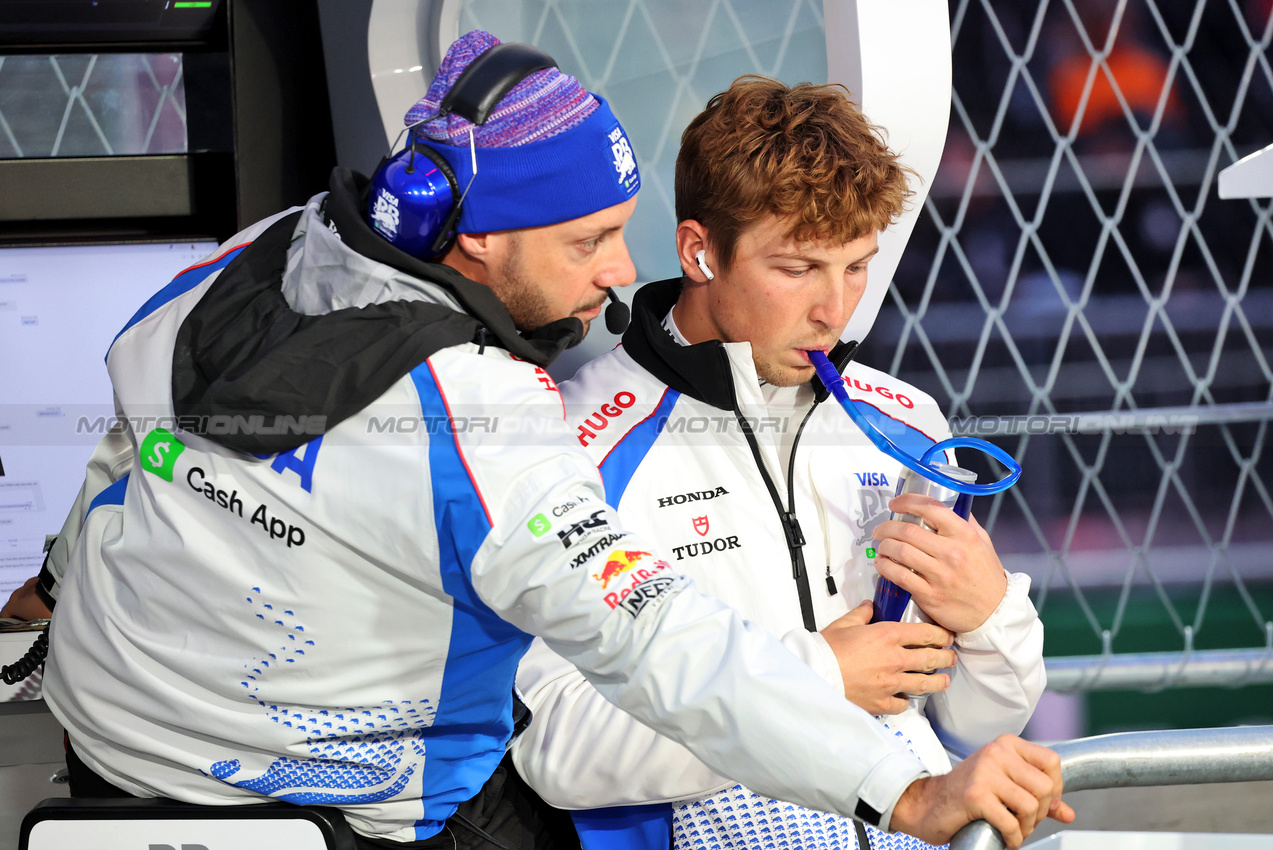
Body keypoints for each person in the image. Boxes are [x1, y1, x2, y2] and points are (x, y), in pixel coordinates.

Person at [28, 31, 1068, 850]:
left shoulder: (251, 257)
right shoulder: (496, 423)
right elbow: (655, 646)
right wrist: (908, 788)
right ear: (475, 234)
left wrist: (29, 617)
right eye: (586, 240)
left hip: (114, 772)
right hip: (351, 812)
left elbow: (126, 463)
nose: (620, 269)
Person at [512, 76, 1056, 850]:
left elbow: (975, 719)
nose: (835, 311)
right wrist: (814, 679)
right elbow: (553, 748)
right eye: (798, 269)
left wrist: (988, 613)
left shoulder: (901, 421)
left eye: (856, 266)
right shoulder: (571, 442)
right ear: (699, 250)